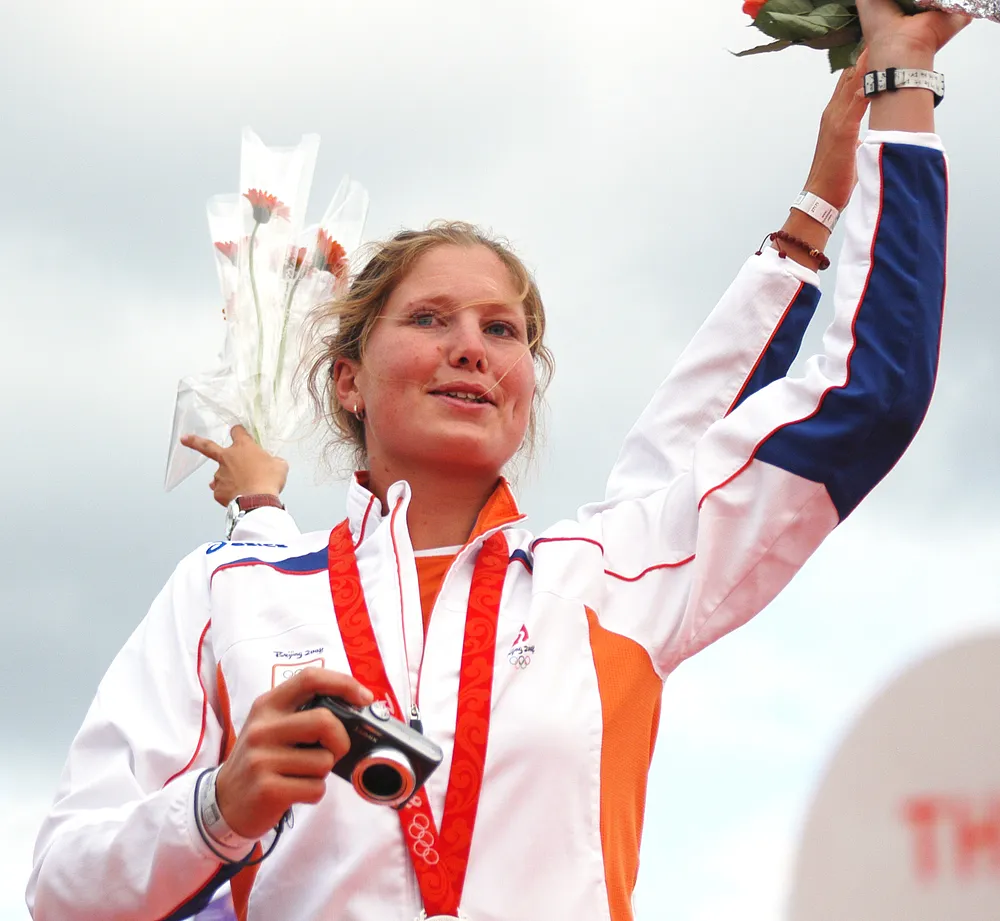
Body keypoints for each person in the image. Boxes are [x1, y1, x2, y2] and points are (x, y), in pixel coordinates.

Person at [27, 1, 972, 919]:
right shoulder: (232, 594)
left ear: (526, 387)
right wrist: (219, 807)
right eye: (429, 318)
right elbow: (64, 888)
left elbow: (855, 398)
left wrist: (899, 79)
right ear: (348, 379)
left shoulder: (610, 583)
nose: (470, 349)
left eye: (502, 329)